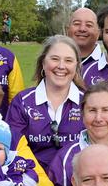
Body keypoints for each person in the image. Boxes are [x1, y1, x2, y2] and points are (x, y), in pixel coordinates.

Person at [5, 35, 85, 170]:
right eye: (55, 59)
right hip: (33, 181)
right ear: (43, 62)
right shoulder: (23, 101)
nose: (61, 66)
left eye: (68, 60)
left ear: (76, 66)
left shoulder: (87, 102)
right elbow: (13, 149)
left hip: (77, 183)